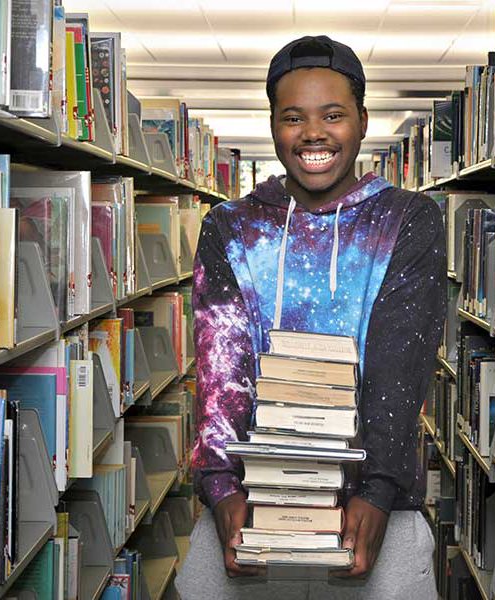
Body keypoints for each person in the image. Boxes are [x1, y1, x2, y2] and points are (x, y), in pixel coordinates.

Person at [175, 35, 445, 600]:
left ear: (363, 121)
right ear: (273, 123)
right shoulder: (229, 227)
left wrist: (376, 491)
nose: (313, 133)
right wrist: (222, 490)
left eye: (333, 115)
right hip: (253, 508)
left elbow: (402, 367)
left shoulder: (409, 220)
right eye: (293, 117)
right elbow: (220, 366)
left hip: (375, 512)